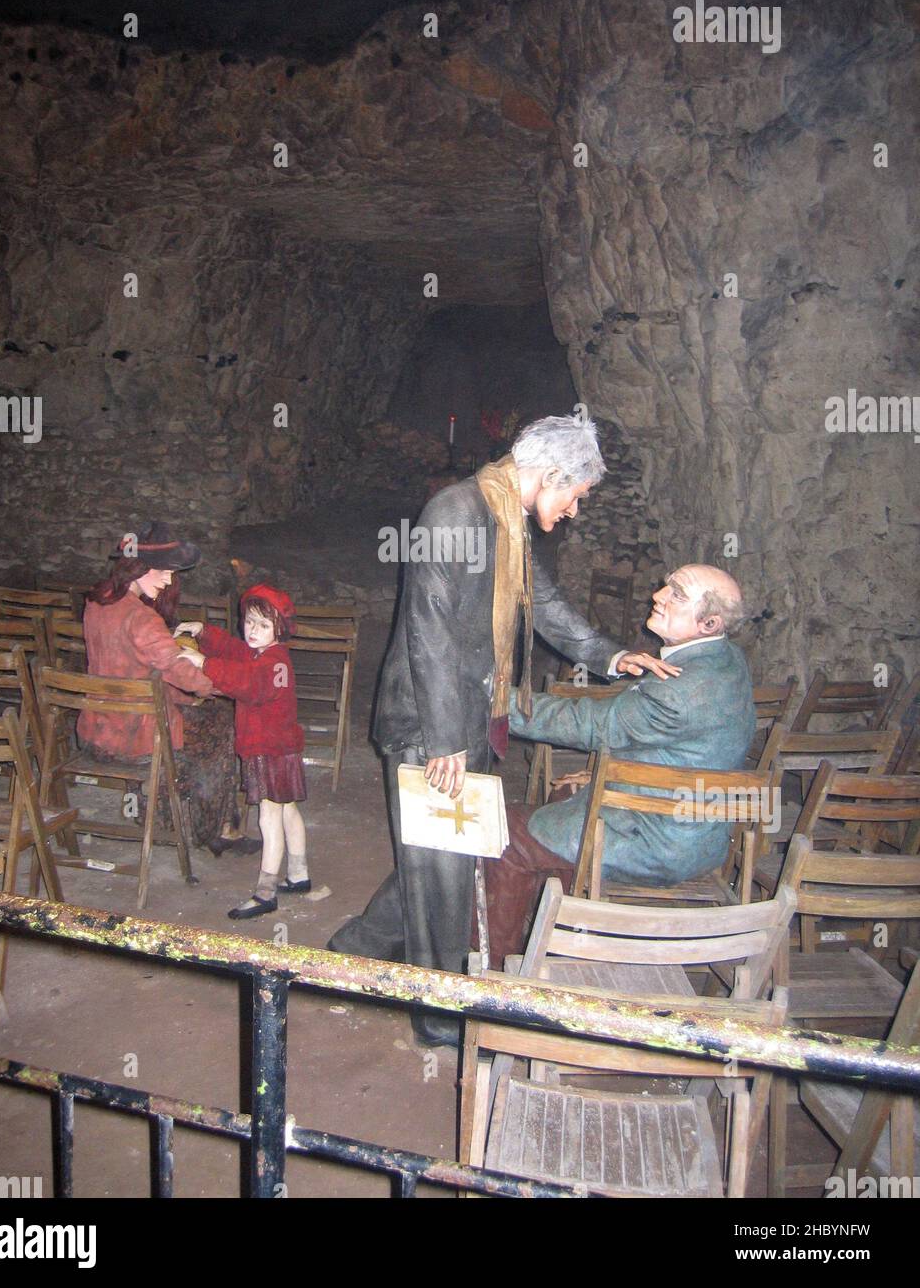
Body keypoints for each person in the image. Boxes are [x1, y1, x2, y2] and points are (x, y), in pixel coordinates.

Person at [328, 414, 676, 1047]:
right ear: (551, 475)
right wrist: (444, 743)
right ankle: (440, 1019)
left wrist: (608, 656)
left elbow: (542, 604)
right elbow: (428, 631)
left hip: (473, 714)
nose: (573, 511)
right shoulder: (455, 513)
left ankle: (353, 949)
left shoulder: (508, 521)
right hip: (430, 724)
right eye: (576, 495)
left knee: (444, 858)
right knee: (442, 871)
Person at [484, 563, 755, 967]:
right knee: (565, 793)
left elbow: (590, 725)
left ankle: (492, 979)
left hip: (657, 843)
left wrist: (492, 701)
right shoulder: (728, 661)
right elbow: (679, 745)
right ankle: (549, 943)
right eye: (666, 586)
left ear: (709, 622)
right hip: (697, 831)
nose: (658, 596)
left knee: (501, 834)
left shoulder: (678, 693)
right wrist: (603, 774)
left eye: (677, 594)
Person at [79, 521, 235, 850]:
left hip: (98, 730)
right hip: (137, 739)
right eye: (163, 571)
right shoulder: (142, 618)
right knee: (221, 722)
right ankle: (209, 828)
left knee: (187, 713)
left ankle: (158, 811)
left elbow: (142, 665)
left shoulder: (97, 602)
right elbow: (184, 675)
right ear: (137, 567)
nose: (169, 580)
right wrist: (229, 683)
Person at [177, 584, 309, 920]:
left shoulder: (274, 662)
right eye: (250, 622)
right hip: (279, 747)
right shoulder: (258, 652)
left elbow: (248, 684)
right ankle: (298, 874)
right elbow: (235, 650)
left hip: (271, 750)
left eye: (264, 626)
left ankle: (266, 892)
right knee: (288, 810)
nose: (253, 631)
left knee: (270, 817)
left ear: (279, 629)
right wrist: (205, 633)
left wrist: (204, 662)